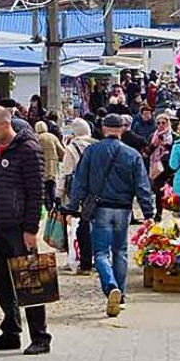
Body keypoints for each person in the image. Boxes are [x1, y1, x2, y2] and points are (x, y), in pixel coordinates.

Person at [66, 114, 154, 317]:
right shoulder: (132, 154)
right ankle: (121, 295)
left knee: (101, 253)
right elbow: (142, 186)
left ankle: (110, 286)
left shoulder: (92, 151)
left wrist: (72, 208)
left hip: (100, 208)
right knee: (121, 251)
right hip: (124, 209)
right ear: (122, 129)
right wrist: (148, 212)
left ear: (104, 129)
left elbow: (80, 181)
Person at [0, 106, 52, 355]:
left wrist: (31, 228)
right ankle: (10, 330)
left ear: (5, 124)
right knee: (3, 283)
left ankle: (40, 336)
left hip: (20, 226)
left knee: (31, 281)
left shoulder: (28, 150)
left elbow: (36, 193)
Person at [56, 118, 99, 275]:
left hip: (78, 191)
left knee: (80, 225)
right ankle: (98, 258)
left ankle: (83, 261)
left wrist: (59, 193)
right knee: (95, 224)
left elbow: (66, 173)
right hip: (96, 190)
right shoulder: (97, 145)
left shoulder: (71, 147)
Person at [149, 114, 175, 222]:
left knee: (174, 190)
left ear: (168, 123)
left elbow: (176, 150)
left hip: (170, 166)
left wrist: (165, 145)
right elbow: (148, 151)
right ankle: (158, 213)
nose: (161, 125)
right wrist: (155, 144)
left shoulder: (173, 136)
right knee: (158, 191)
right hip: (158, 166)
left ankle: (175, 211)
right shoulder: (153, 136)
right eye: (158, 123)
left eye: (163, 123)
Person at [35, 121, 65, 212]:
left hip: (40, 167)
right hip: (52, 167)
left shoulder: (36, 138)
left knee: (42, 189)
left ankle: (45, 207)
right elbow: (62, 152)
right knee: (51, 187)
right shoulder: (53, 137)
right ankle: (51, 208)